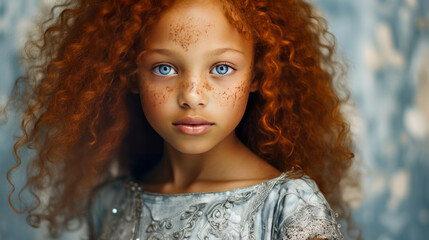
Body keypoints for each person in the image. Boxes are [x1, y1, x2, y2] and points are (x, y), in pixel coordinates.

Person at [4, 0, 359, 239]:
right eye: (164, 68)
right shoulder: (110, 204)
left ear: (257, 75)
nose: (191, 95)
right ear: (131, 75)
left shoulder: (289, 205)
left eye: (222, 68)